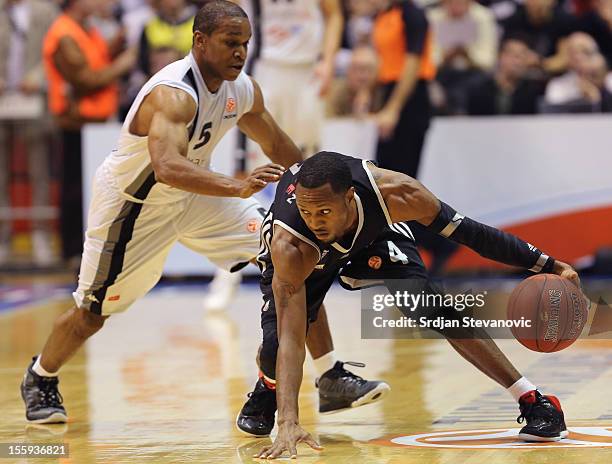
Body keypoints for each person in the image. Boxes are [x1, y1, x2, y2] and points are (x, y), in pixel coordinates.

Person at [20, 0, 385, 425]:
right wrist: (237, 184)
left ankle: (330, 378)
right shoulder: (174, 95)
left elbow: (280, 146)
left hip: (197, 196)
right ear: (200, 41)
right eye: (230, 43)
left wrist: (322, 183)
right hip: (134, 208)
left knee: (294, 253)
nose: (239, 53)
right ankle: (40, 375)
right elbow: (167, 167)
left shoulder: (243, 88)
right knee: (92, 314)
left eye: (245, 44)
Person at [241, 151, 579, 458]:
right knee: (275, 347)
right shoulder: (291, 245)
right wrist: (289, 422)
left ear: (350, 197)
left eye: (324, 211)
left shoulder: (396, 194)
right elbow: (291, 335)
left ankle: (533, 400)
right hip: (308, 257)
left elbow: (474, 235)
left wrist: (550, 265)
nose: (315, 220)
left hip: (373, 237)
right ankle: (268, 388)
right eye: (307, 211)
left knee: (430, 306)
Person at [203, 0, 344, 312]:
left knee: (311, 175)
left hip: (308, 73)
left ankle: (313, 269)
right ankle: (227, 274)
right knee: (248, 176)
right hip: (266, 69)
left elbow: (333, 15)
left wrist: (329, 61)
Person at [42, 0, 137, 266]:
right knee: (74, 188)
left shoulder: (85, 29)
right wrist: (124, 63)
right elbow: (85, 79)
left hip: (94, 122)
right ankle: (72, 251)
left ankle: (87, 247)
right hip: (75, 122)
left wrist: (117, 45)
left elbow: (96, 59)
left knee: (92, 187)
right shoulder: (64, 34)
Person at [0, 0, 59, 266]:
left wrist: (37, 78)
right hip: (3, 99)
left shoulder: (44, 11)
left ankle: (41, 235)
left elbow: (56, 50)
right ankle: (2, 237)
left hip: (35, 101)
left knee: (39, 171)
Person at [466, 36, 546, 115]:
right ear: (501, 56)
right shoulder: (479, 90)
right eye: (515, 56)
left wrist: (540, 64)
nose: (519, 62)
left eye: (523, 57)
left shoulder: (530, 91)